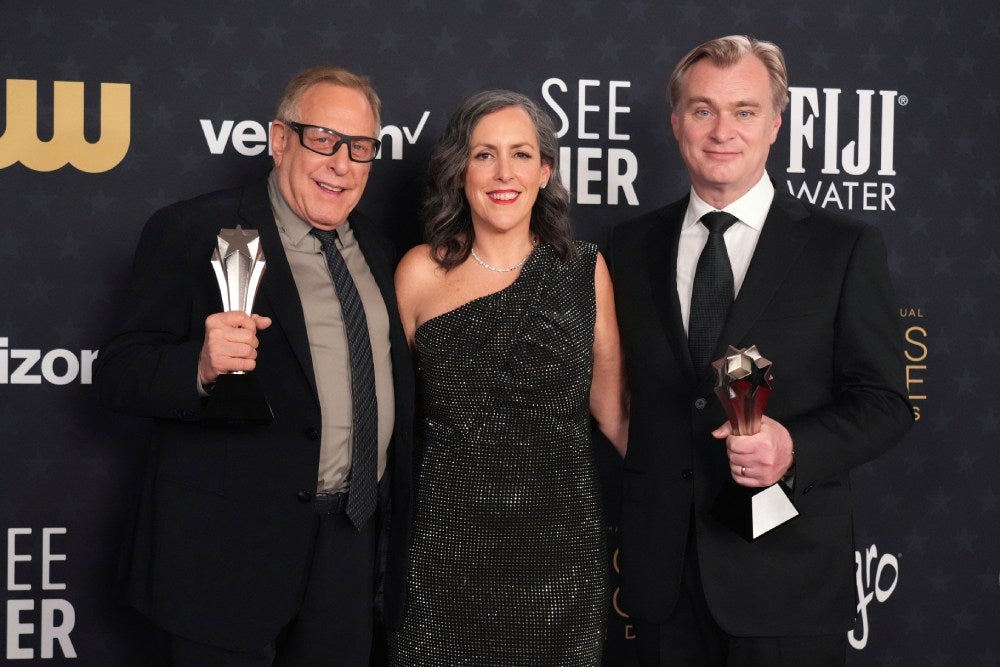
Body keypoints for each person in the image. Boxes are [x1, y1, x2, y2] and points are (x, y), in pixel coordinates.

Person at [608, 36, 913, 665]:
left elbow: (886, 402)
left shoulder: (843, 247)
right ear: (675, 122)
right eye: (702, 110)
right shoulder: (626, 249)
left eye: (744, 111)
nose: (723, 130)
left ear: (776, 123)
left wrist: (793, 447)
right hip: (660, 584)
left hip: (788, 586)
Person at [94, 66, 413, 666]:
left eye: (361, 147)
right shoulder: (194, 230)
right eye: (322, 138)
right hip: (224, 556)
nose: (341, 162)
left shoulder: (380, 246)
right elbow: (118, 372)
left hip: (348, 548)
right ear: (279, 139)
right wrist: (199, 366)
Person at [387, 89, 628, 666]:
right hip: (445, 548)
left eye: (521, 155)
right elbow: (387, 414)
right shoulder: (420, 271)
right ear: (458, 171)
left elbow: (614, 410)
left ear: (545, 171)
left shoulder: (582, 269)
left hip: (558, 556)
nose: (503, 173)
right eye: (483, 154)